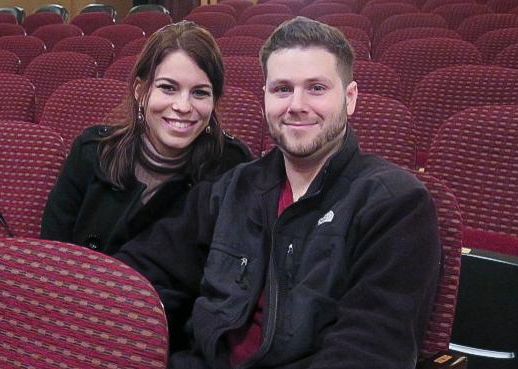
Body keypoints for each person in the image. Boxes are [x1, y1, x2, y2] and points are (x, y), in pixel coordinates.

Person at [115, 17, 441, 369]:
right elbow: (143, 270)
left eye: (316, 88)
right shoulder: (234, 187)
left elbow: (368, 351)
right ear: (265, 98)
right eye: (282, 89)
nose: (296, 105)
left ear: (350, 99)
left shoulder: (395, 204)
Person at [40, 21, 252, 255]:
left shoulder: (232, 167)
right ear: (140, 92)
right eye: (168, 88)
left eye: (200, 93)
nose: (183, 106)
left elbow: (229, 275)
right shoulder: (91, 152)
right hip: (83, 288)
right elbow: (52, 253)